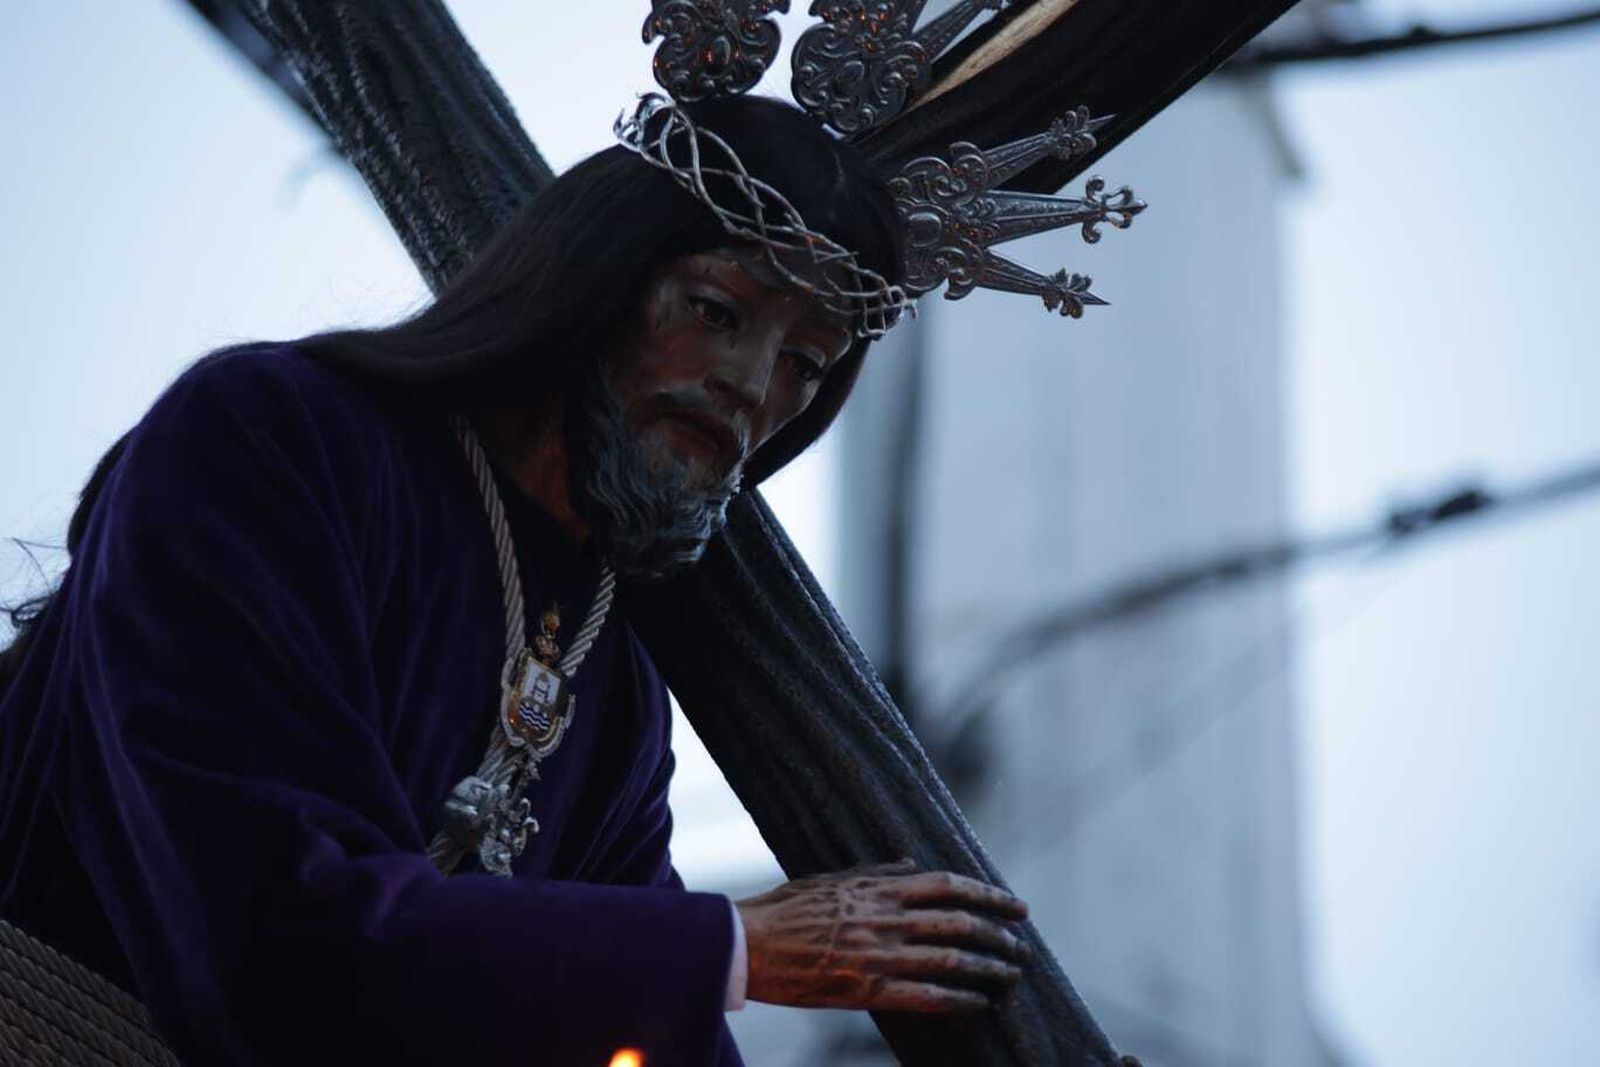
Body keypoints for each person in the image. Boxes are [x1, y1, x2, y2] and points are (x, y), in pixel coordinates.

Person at [0, 94, 1032, 1066]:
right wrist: (735, 945)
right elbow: (269, 925)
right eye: (717, 309)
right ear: (600, 276)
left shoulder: (614, 685)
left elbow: (619, 1023)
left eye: (805, 363)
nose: (751, 382)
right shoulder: (275, 439)